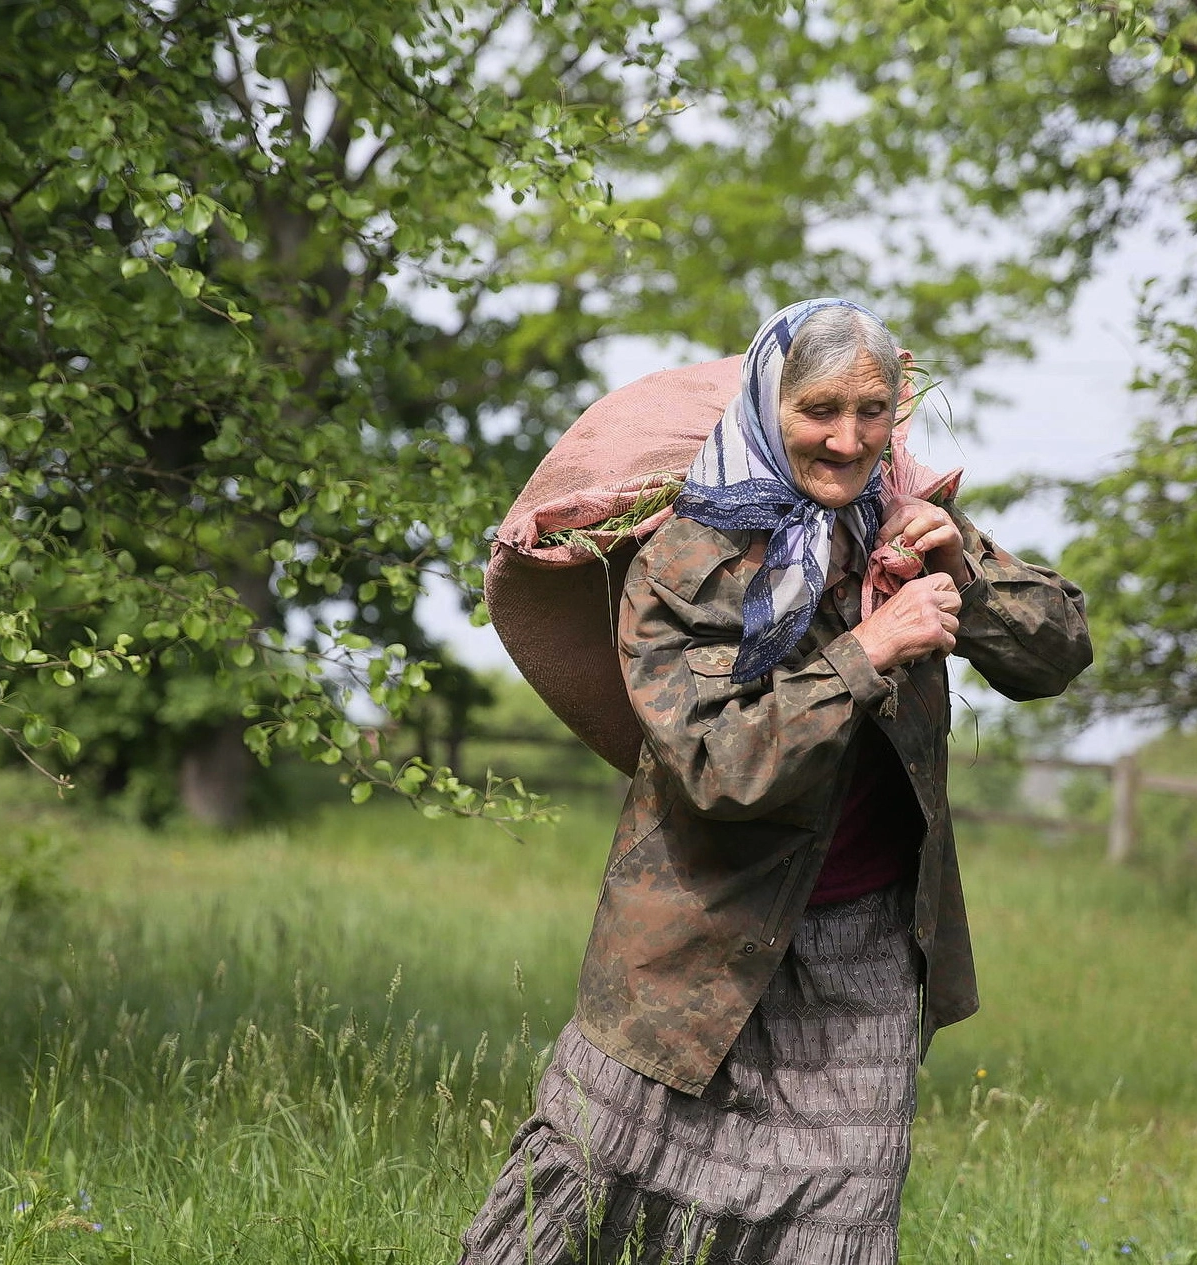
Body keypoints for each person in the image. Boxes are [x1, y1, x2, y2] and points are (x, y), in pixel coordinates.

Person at [461, 297, 1093, 1265]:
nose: (848, 438)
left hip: (867, 950)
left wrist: (961, 565)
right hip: (694, 946)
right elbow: (717, 764)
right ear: (770, 403)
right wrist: (869, 647)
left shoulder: (910, 519)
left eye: (873, 411)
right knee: (585, 1193)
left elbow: (1058, 654)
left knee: (841, 1221)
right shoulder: (686, 554)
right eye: (821, 409)